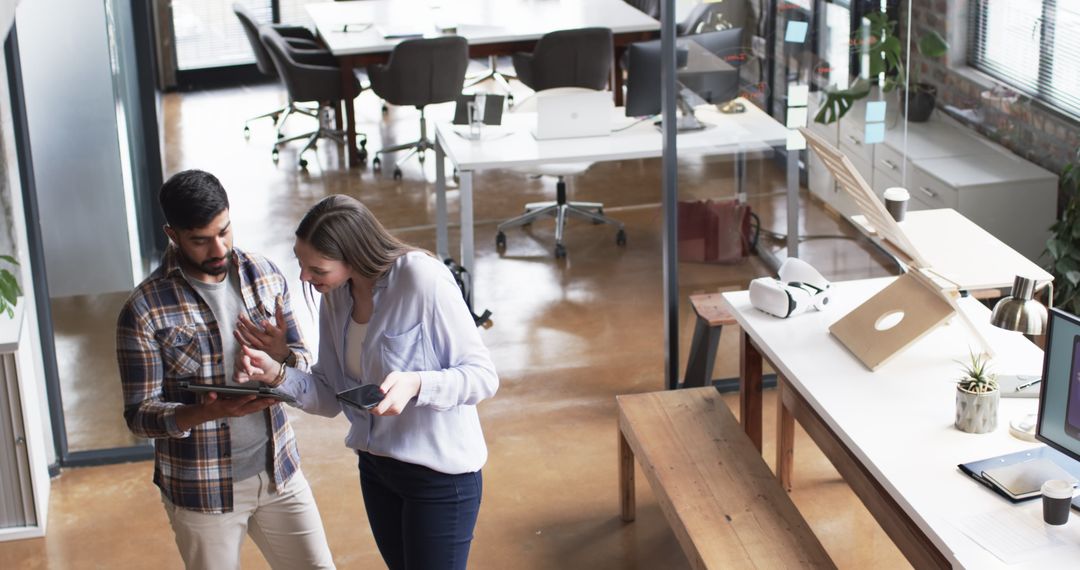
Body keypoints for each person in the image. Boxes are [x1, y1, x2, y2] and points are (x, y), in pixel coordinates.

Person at [235, 194, 498, 570]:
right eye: (301, 262)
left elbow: (482, 377)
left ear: (353, 256)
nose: (304, 278)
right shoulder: (335, 297)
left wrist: (417, 385)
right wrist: (276, 373)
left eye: (317, 269)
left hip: (439, 477)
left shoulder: (420, 279)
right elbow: (329, 397)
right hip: (376, 471)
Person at [116, 169, 335, 570]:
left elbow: (302, 364)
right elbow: (139, 415)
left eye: (224, 231)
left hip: (280, 473)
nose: (218, 248)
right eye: (200, 240)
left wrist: (283, 354)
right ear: (172, 234)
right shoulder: (144, 309)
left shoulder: (265, 275)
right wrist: (204, 411)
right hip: (202, 493)